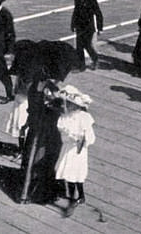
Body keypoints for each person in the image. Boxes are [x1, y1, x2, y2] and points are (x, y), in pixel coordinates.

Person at [53, 85, 95, 215]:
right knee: (68, 172)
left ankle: (78, 197)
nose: (67, 106)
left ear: (77, 106)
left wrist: (82, 139)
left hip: (78, 150)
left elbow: (90, 137)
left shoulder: (84, 118)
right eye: (67, 103)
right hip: (68, 147)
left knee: (76, 173)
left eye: (70, 104)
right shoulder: (65, 118)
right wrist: (70, 136)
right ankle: (73, 196)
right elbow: (63, 133)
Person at [71, 0, 104, 71]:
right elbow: (76, 12)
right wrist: (73, 24)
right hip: (79, 26)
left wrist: (100, 27)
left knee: (88, 45)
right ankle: (81, 65)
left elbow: (98, 13)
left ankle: (95, 60)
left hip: (88, 26)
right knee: (79, 46)